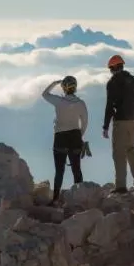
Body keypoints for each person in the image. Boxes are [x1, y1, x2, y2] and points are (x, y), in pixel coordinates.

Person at [42, 75, 89, 205]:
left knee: (59, 170)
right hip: (75, 137)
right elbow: (85, 122)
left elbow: (44, 94)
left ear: (63, 87)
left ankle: (55, 199)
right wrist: (80, 135)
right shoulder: (80, 103)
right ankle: (79, 199)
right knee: (76, 169)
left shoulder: (58, 101)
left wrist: (53, 83)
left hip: (60, 137)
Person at [101, 54, 134, 193]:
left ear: (113, 68)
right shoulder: (132, 80)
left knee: (119, 152)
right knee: (130, 148)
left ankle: (120, 186)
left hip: (121, 121)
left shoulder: (113, 83)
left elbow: (109, 105)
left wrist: (106, 126)